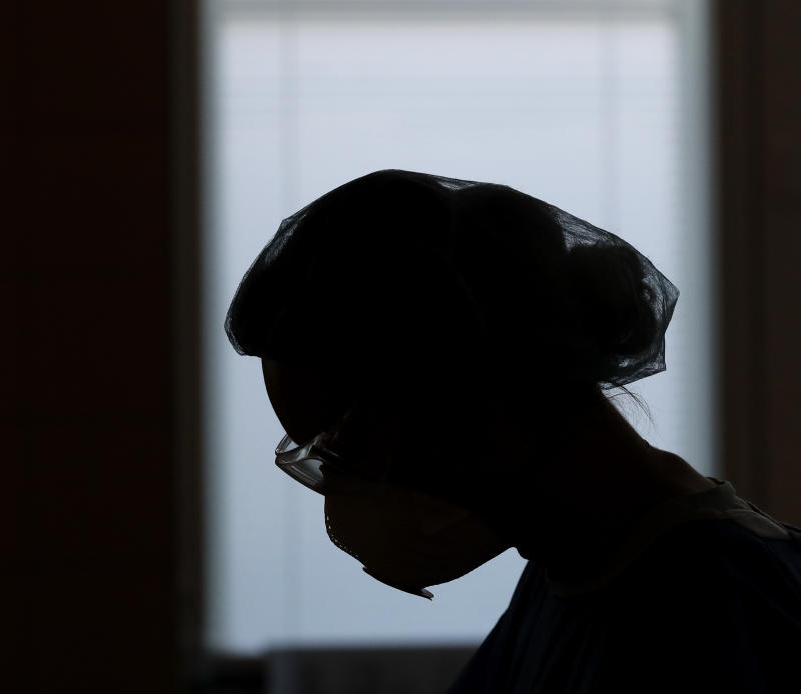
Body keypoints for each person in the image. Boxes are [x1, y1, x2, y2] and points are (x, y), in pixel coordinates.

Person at [224, 170, 801, 692]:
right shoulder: (576, 569)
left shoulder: (708, 608)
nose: (349, 494)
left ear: (472, 387)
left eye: (348, 450)